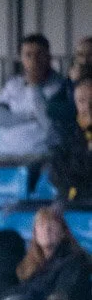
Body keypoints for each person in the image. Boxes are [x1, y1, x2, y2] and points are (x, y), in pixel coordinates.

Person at [0, 33, 74, 158]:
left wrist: (35, 88)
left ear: (48, 57)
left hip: (40, 156)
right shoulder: (13, 84)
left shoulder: (61, 86)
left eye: (39, 54)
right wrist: (29, 116)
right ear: (22, 59)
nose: (34, 60)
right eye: (28, 55)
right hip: (3, 155)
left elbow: (49, 124)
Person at [48, 76, 92, 205]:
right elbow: (57, 173)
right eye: (81, 101)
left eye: (91, 100)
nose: (88, 106)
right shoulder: (65, 132)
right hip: (73, 198)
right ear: (75, 103)